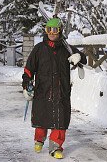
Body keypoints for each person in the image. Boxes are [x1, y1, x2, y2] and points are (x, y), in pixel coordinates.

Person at [22, 17, 87, 159]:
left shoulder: (66, 48)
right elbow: (29, 69)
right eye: (48, 30)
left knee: (60, 120)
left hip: (61, 91)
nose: (51, 33)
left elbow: (84, 59)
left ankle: (56, 146)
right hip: (42, 90)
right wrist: (27, 83)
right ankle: (39, 139)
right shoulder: (39, 49)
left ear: (60, 31)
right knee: (42, 118)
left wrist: (78, 56)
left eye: (55, 30)